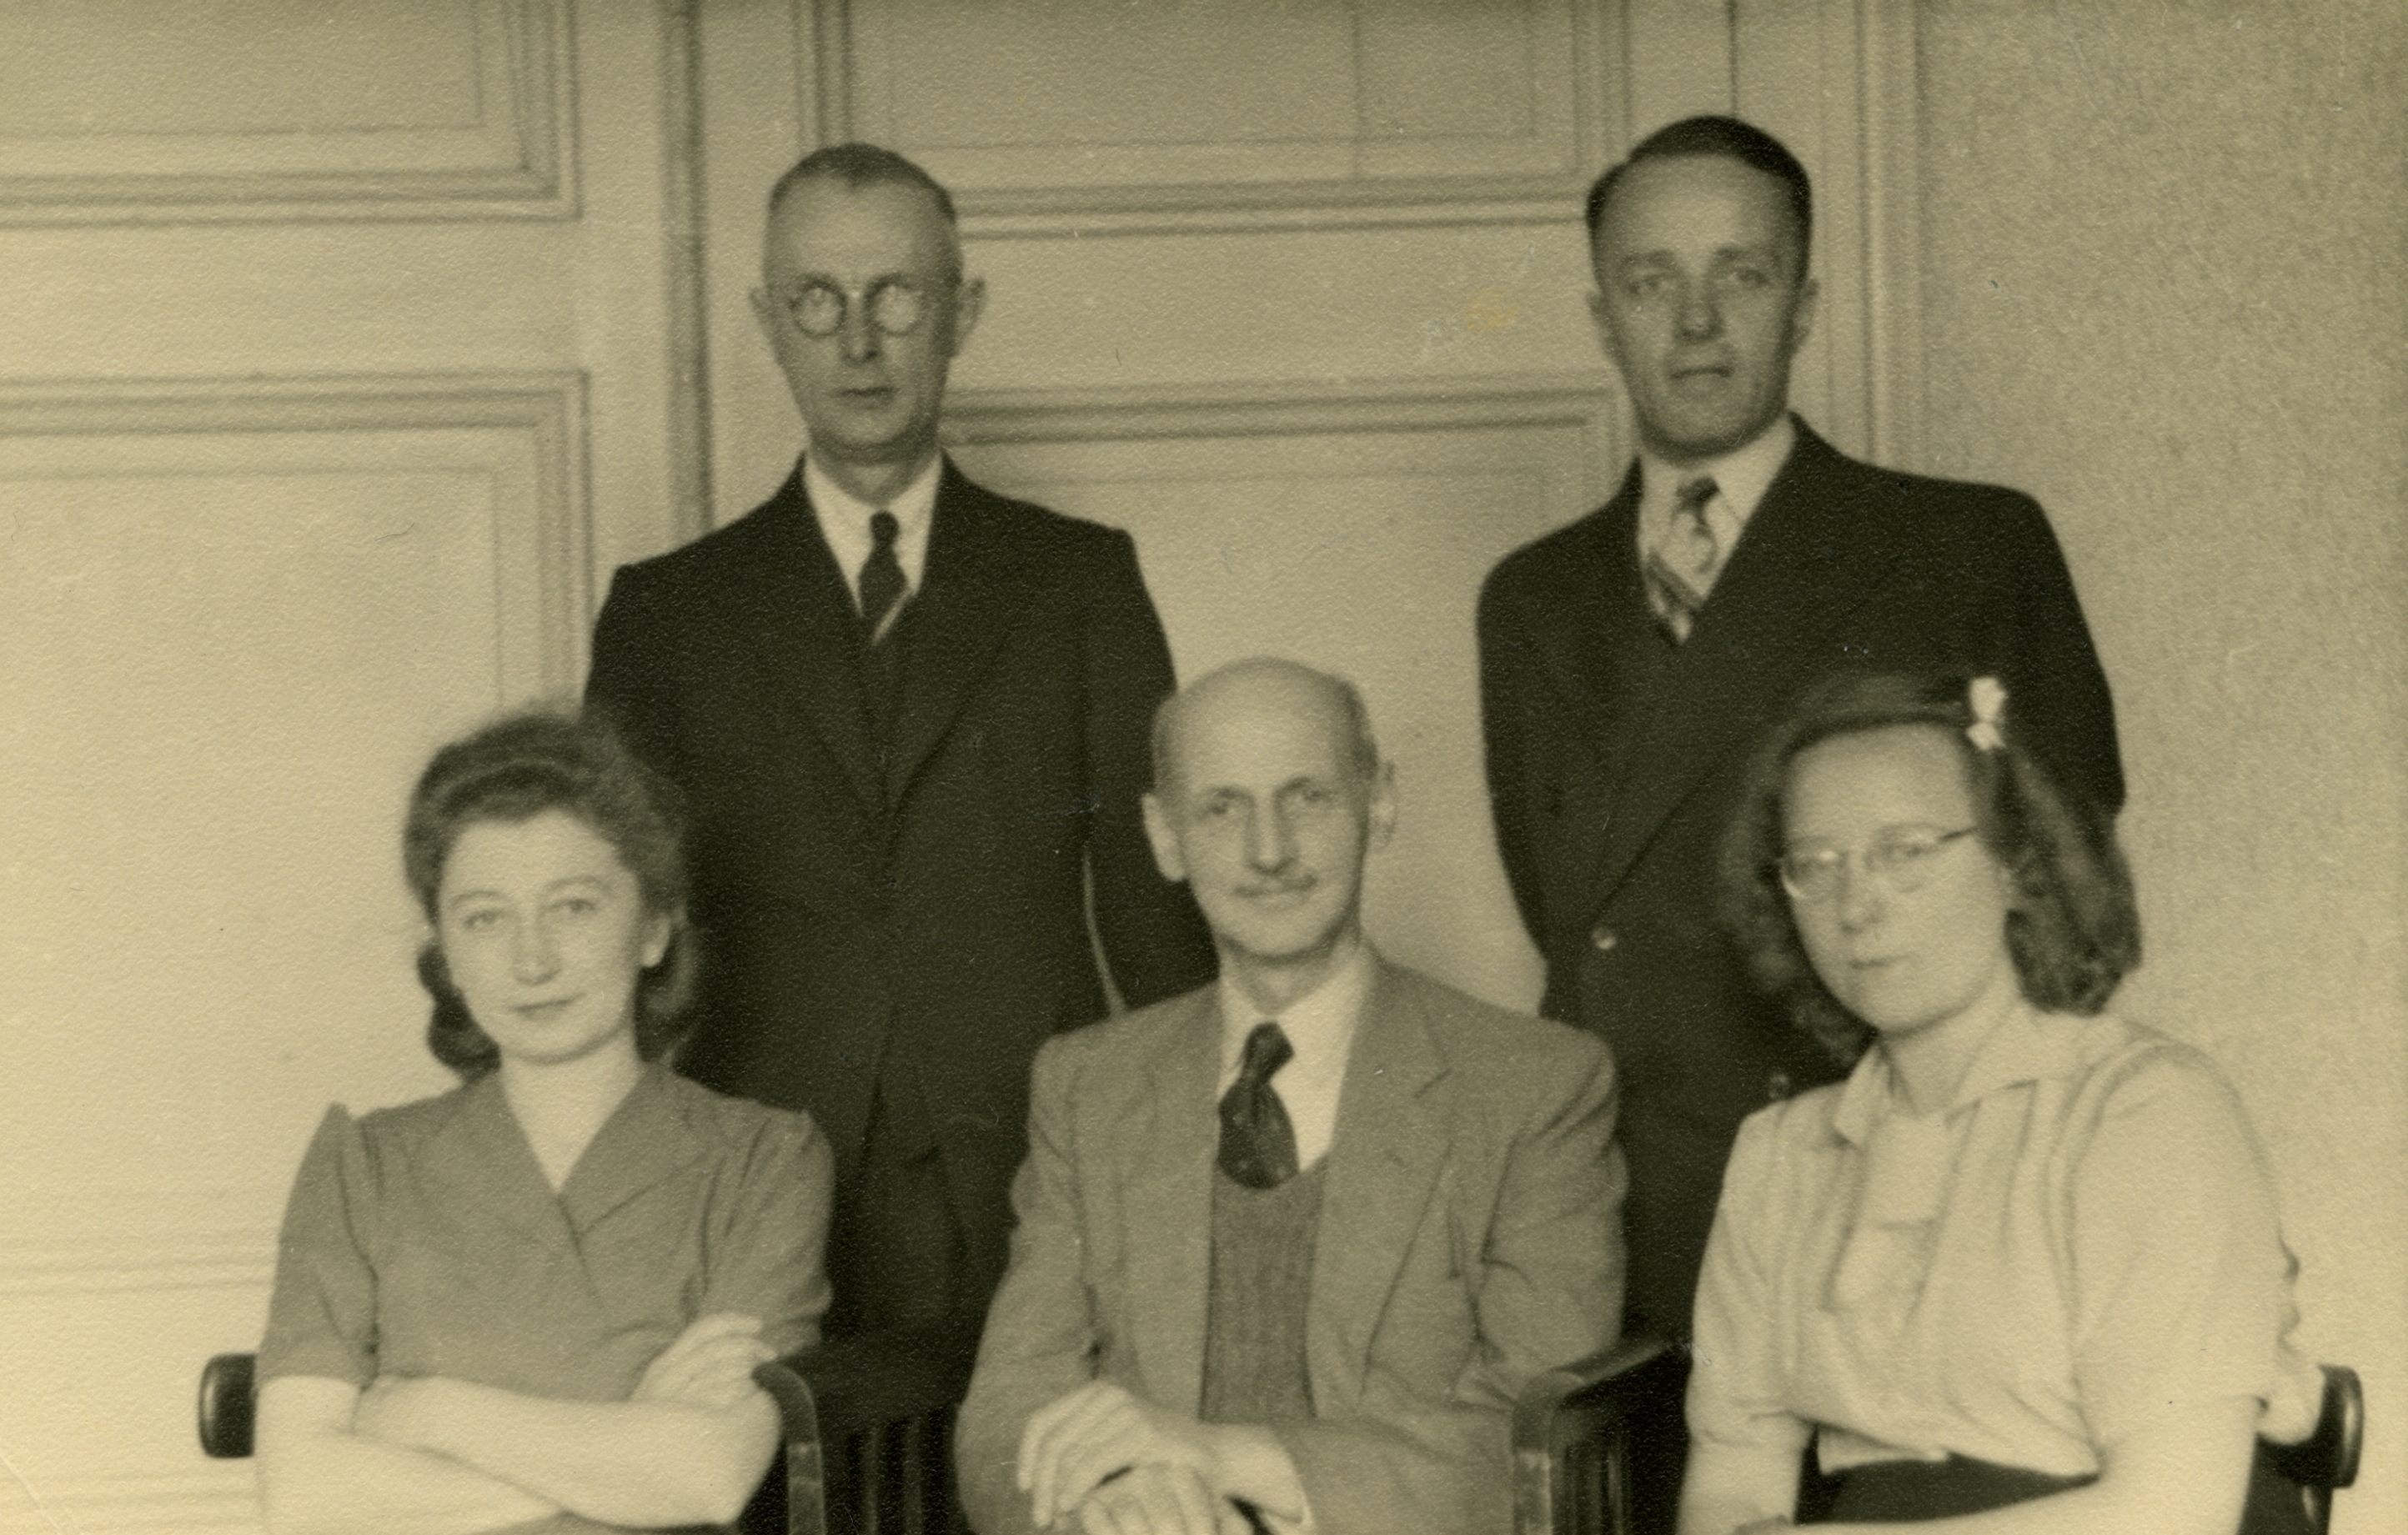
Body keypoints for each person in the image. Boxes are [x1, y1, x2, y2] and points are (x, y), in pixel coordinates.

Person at [1477, 113, 2124, 1338]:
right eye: (1651, 282)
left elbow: (2068, 899)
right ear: (1600, 316)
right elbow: (1558, 903)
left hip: (1896, 1186)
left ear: (1807, 304)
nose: (1698, 320)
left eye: (1744, 274)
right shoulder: (1530, 598)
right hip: (1628, 1215)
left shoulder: (1966, 547)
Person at [584, 144, 1213, 1358]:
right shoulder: (668, 615)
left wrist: (1188, 1165)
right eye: (819, 299)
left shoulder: (1078, 581)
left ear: (961, 312)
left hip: (1033, 1169)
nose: (859, 342)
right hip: (752, 1175)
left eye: (899, 295)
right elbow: (618, 937)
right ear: (770, 323)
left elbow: (1153, 911)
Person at [957, 659, 1626, 1535]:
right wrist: (1105, 1506)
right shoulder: (1088, 1084)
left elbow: (1536, 1438)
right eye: (1221, 807)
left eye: (1307, 796)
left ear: (1378, 802)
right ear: (1164, 835)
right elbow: (1008, 1409)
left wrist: (1217, 1454)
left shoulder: (1536, 1083)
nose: (1268, 850)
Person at [1681, 670, 2317, 1534]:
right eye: (1815, 865)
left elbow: (2175, 1511)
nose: (1857, 905)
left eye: (1905, 850)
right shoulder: (1781, 1153)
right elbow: (1735, 1484)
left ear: (2018, 864)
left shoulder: (2143, 1108)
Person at [254, 710, 830, 1535]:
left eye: (574, 907)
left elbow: (707, 1477)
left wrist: (429, 1412)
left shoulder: (765, 1160)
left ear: (655, 927)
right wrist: (629, 1436)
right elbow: (303, 1494)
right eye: (485, 916)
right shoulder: (364, 1162)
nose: (532, 961)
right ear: (445, 951)